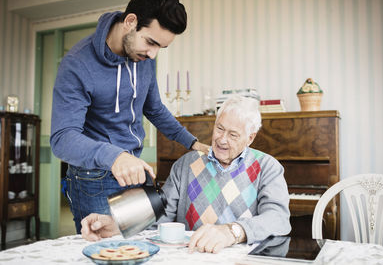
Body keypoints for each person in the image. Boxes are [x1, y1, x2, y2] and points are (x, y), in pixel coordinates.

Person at [50, 0, 209, 233]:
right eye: (151, 42)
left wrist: (192, 142)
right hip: (94, 178)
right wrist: (116, 157)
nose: (153, 55)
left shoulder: (141, 56)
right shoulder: (77, 64)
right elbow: (62, 138)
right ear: (131, 21)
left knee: (141, 247)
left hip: (135, 171)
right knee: (108, 252)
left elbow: (154, 108)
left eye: (160, 48)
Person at [81, 95, 291, 254]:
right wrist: (118, 225)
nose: (222, 139)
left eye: (233, 134)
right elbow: (162, 215)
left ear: (250, 138)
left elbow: (279, 219)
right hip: (191, 256)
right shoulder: (186, 164)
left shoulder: (268, 167)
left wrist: (231, 232)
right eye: (219, 128)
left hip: (243, 260)